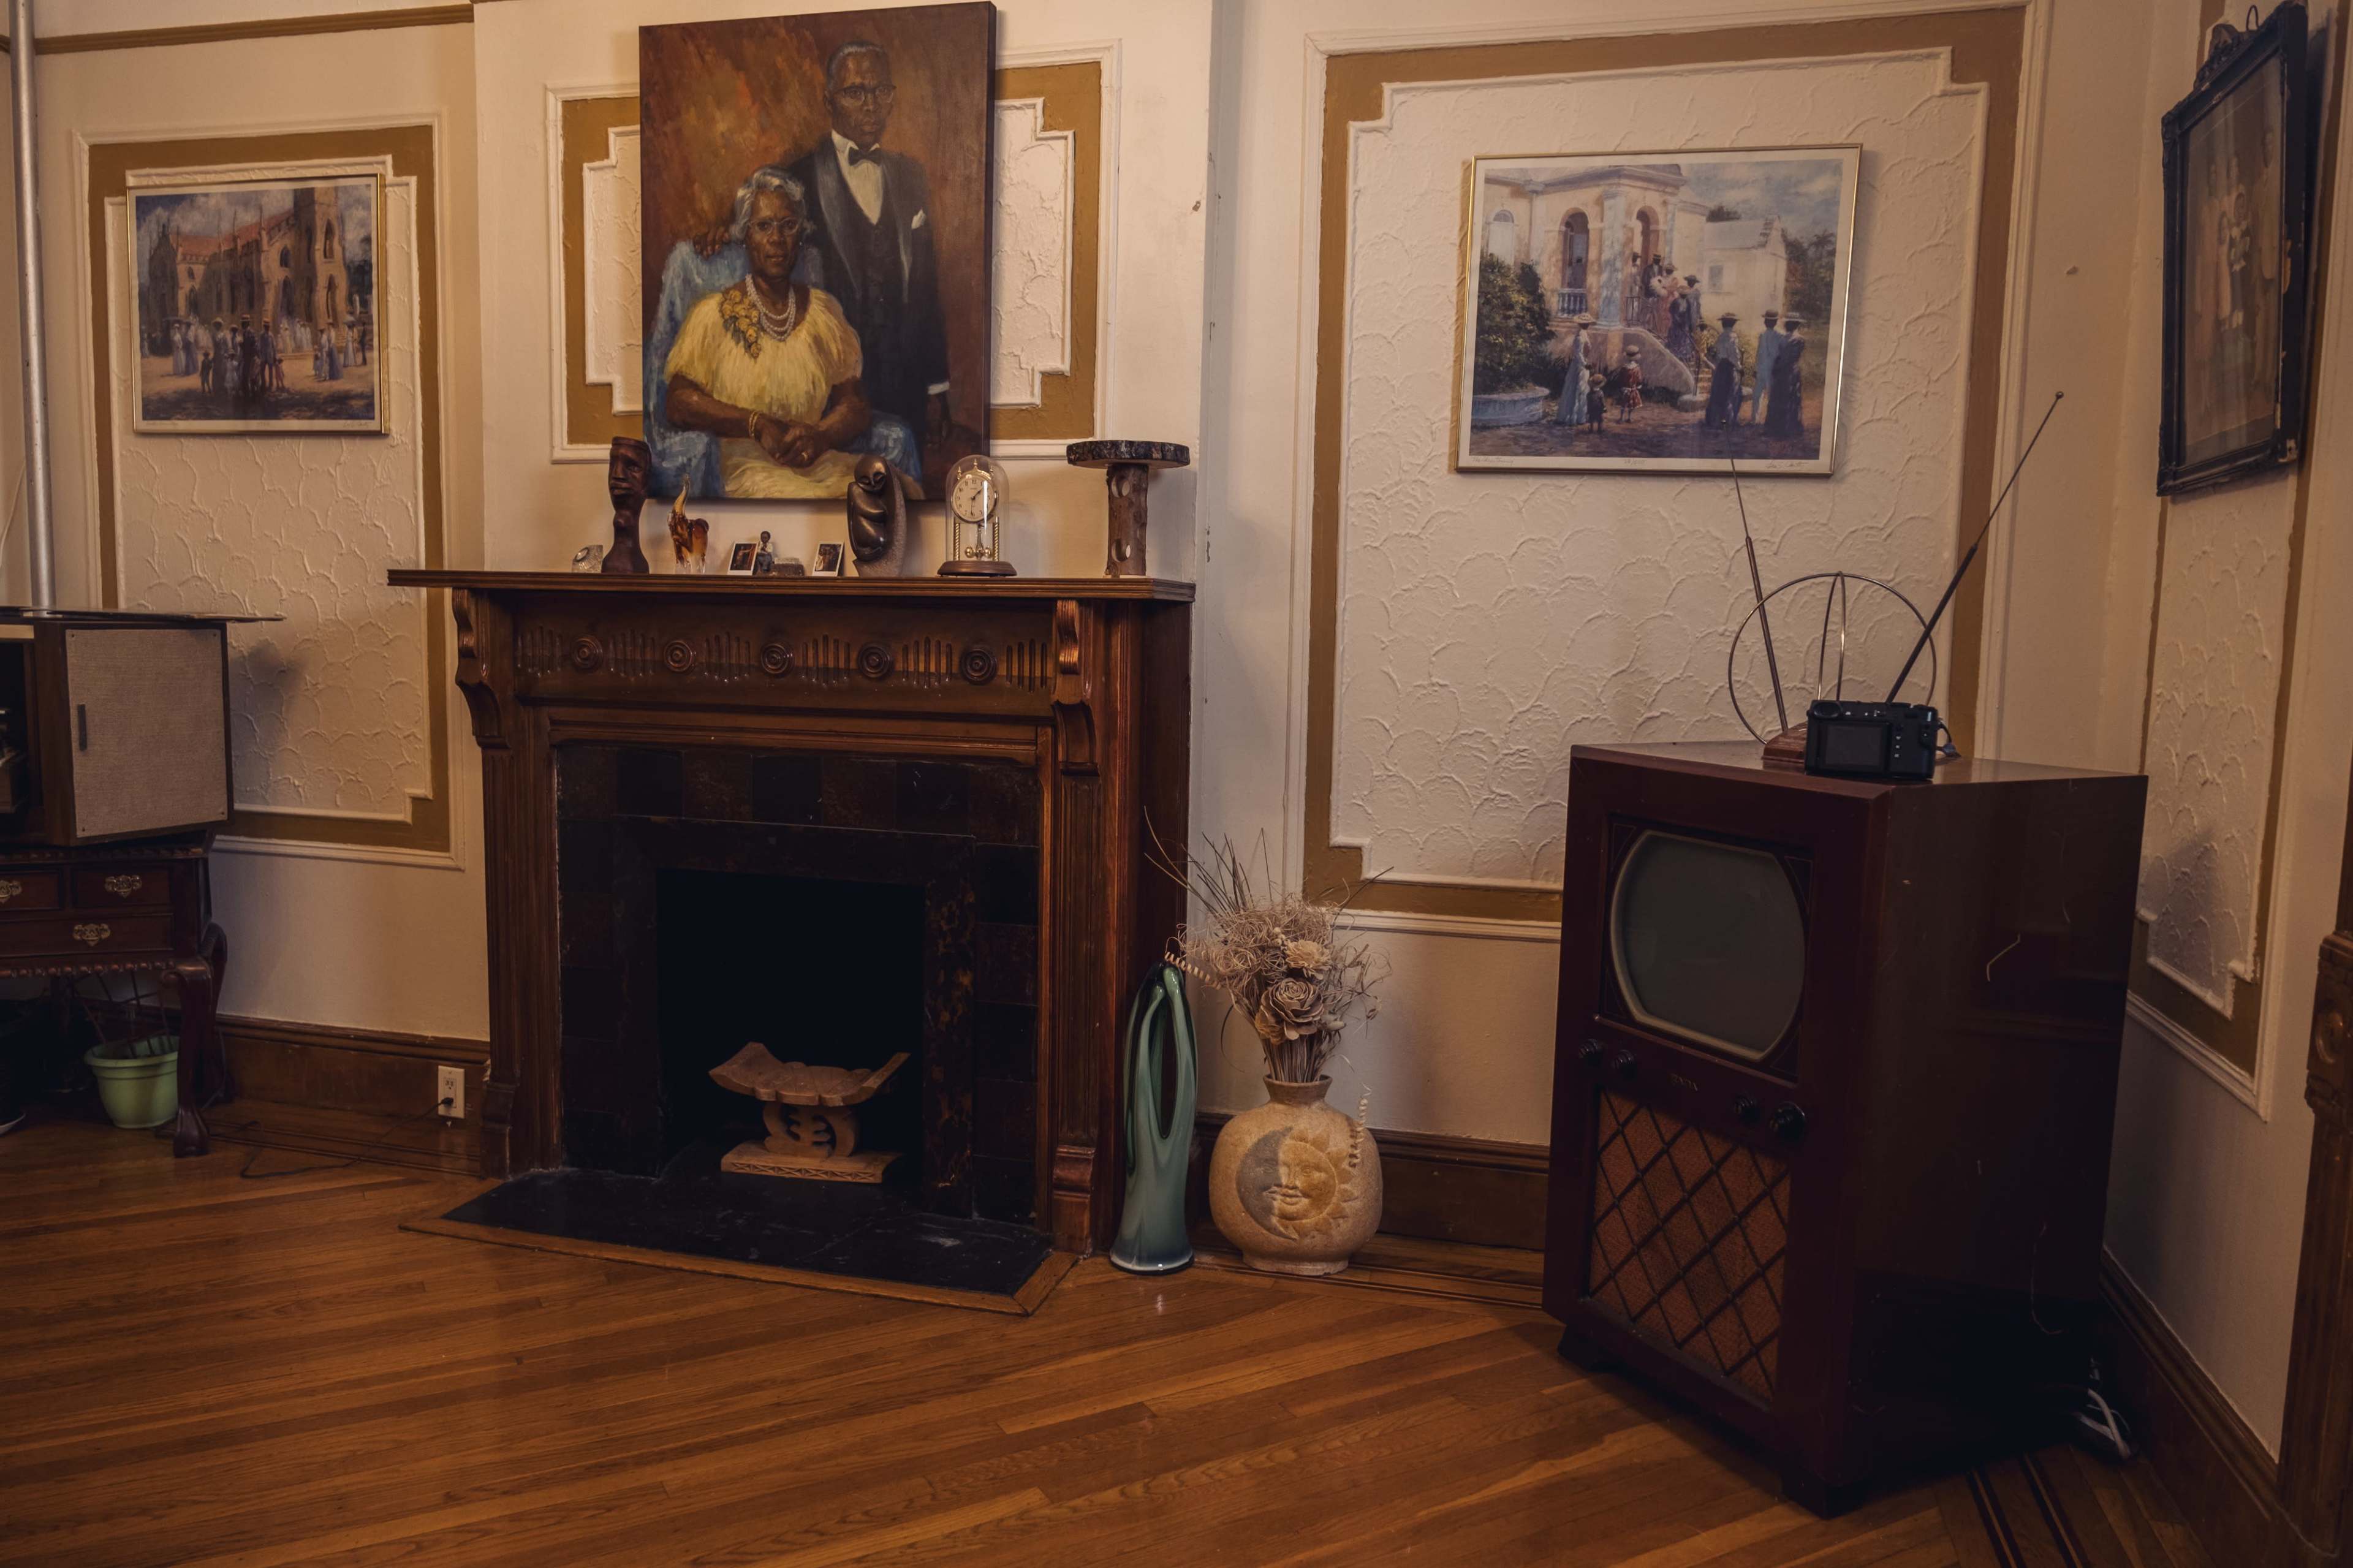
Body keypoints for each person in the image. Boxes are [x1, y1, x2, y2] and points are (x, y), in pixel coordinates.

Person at [782, 40, 951, 469]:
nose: (871, 105)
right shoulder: (795, 178)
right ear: (829, 101)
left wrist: (936, 389)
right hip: (831, 396)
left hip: (906, 384)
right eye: (856, 92)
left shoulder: (911, 176)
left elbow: (926, 287)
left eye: (880, 92)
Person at [662, 165, 871, 499]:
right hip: (749, 471)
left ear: (801, 234)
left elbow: (855, 404)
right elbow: (678, 402)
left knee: (887, 492)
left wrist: (821, 436)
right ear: (745, 235)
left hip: (819, 464)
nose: (777, 239)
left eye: (788, 226)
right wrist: (755, 424)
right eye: (763, 226)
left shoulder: (824, 312)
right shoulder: (711, 315)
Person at [1765, 315, 1807, 438]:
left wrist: (1778, 366)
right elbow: (1782, 356)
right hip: (1786, 371)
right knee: (1783, 397)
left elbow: (1788, 357)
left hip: (1788, 371)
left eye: (1788, 324)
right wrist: (1776, 367)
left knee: (1787, 397)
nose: (1786, 326)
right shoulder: (1789, 339)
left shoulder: (1796, 340)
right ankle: (1781, 428)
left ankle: (1786, 428)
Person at [1550, 313, 1594, 425]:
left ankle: (1582, 416)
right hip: (1579, 365)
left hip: (1584, 364)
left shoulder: (1585, 334)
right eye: (1585, 324)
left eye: (1587, 323)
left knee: (1583, 389)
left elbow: (1586, 350)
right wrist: (1585, 364)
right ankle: (1573, 417)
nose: (1587, 325)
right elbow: (1578, 353)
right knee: (1578, 389)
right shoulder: (1579, 337)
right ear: (1580, 324)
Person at [1703, 312, 1743, 429]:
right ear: (1733, 324)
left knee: (1719, 394)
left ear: (1724, 324)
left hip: (1721, 368)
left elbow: (1718, 354)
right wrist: (1740, 368)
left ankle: (1715, 421)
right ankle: (1727, 423)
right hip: (1729, 368)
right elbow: (1734, 356)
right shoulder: (1733, 337)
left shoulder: (1720, 337)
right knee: (1730, 395)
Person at [1747, 310, 1786, 425]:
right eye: (1766, 320)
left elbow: (1780, 354)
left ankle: (1773, 421)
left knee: (1772, 396)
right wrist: (1756, 369)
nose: (1766, 322)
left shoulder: (1780, 336)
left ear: (1774, 322)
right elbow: (1759, 353)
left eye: (1768, 320)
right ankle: (1755, 419)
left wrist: (1778, 369)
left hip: (1772, 370)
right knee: (1757, 395)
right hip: (1761, 370)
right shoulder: (1762, 335)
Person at [1617, 349, 1643, 422]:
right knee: (1631, 404)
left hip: (1625, 388)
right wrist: (1639, 385)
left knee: (1623, 404)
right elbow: (1639, 379)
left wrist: (1622, 386)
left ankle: (1622, 418)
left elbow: (1620, 378)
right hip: (1633, 389)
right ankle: (1629, 417)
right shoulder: (1637, 368)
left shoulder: (1624, 367)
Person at [1585, 369, 1607, 434]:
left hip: (1591, 409)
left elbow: (1588, 402)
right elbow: (1602, 401)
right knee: (1600, 419)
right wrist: (1604, 407)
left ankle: (1591, 430)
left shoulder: (1589, 394)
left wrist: (1588, 409)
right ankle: (1599, 430)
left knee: (1591, 419)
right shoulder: (1600, 393)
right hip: (1599, 409)